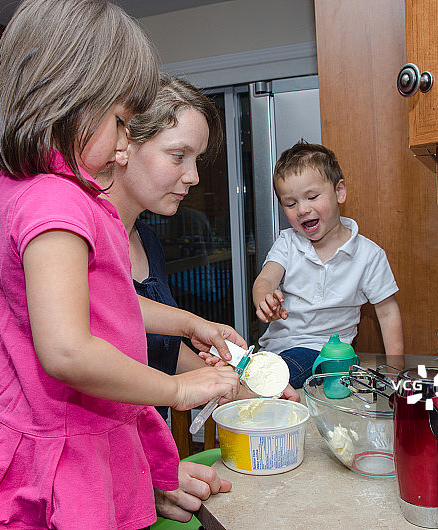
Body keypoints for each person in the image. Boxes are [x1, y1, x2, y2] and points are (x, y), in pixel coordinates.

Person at [0, 2, 243, 529]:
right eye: (122, 123)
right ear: (70, 103)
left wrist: (186, 322)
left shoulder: (39, 193)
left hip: (75, 431)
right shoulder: (55, 204)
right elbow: (66, 349)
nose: (126, 142)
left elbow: (100, 302)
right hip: (63, 443)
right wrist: (180, 390)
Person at [106, 74, 300, 522]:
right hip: (96, 469)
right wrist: (141, 477)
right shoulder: (80, 245)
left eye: (195, 159)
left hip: (140, 461)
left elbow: (161, 350)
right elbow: (77, 378)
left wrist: (244, 388)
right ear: (124, 145)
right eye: (178, 156)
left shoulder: (149, 241)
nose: (192, 177)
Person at [252, 141, 404, 389]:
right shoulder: (288, 243)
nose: (302, 209)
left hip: (325, 352)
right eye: (290, 203)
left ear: (339, 192)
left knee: (271, 380)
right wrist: (264, 298)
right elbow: (265, 279)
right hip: (275, 350)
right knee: (237, 372)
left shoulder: (368, 255)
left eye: (312, 197)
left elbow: (387, 313)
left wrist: (395, 371)